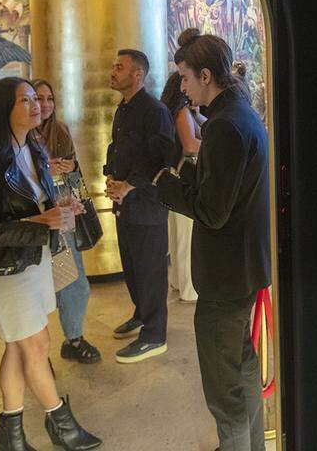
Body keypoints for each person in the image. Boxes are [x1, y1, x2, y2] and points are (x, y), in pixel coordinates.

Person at [110, 30, 270, 451]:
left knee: (224, 391)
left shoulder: (225, 126)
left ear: (205, 75)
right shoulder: (240, 114)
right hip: (244, 266)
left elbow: (214, 212)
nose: (180, 88)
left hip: (226, 274)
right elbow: (224, 188)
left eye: (184, 78)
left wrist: (164, 180)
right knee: (242, 367)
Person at [0, 77, 101, 451]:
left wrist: (62, 210)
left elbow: (40, 207)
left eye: (37, 99)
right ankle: (62, 424)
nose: (36, 105)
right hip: (6, 271)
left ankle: (11, 432)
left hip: (35, 260)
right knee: (36, 345)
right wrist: (38, 224)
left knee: (19, 347)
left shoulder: (34, 149)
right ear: (2, 110)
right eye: (26, 100)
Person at [103, 49, 176, 363]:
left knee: (150, 271)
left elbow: (161, 158)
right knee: (132, 267)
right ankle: (141, 313)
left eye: (119, 67)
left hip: (147, 205)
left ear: (137, 74)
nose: (112, 71)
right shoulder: (123, 109)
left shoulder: (155, 110)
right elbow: (116, 147)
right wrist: (110, 177)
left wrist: (129, 185)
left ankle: (155, 334)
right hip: (125, 205)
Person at [32, 78, 101, 364]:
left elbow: (74, 173)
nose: (45, 104)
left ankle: (73, 338)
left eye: (49, 99)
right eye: (37, 98)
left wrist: (69, 167)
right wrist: (43, 169)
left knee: (72, 279)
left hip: (63, 211)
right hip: (33, 215)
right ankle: (35, 348)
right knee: (35, 283)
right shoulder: (19, 135)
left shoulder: (59, 130)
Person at [159, 71, 200, 302]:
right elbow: (191, 145)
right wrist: (217, 145)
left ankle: (177, 281)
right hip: (185, 176)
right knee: (186, 237)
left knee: (176, 236)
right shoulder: (181, 112)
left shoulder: (173, 110)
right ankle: (189, 289)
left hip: (173, 175)